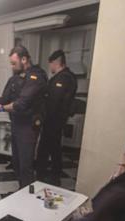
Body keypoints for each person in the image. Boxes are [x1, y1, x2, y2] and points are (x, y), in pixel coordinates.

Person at [0, 46, 47, 187]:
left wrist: (2, 108)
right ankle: (21, 193)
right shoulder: (14, 78)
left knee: (25, 166)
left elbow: (21, 104)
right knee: (16, 163)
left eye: (13, 63)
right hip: (16, 125)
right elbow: (3, 98)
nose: (12, 66)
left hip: (28, 127)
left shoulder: (36, 76)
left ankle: (27, 198)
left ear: (24, 59)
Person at [36, 50, 77, 185]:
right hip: (57, 120)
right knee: (54, 148)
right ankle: (54, 174)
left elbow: (54, 102)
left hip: (52, 120)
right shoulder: (69, 76)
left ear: (55, 63)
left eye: (51, 65)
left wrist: (43, 119)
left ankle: (42, 175)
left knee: (45, 148)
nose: (50, 68)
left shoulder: (63, 78)